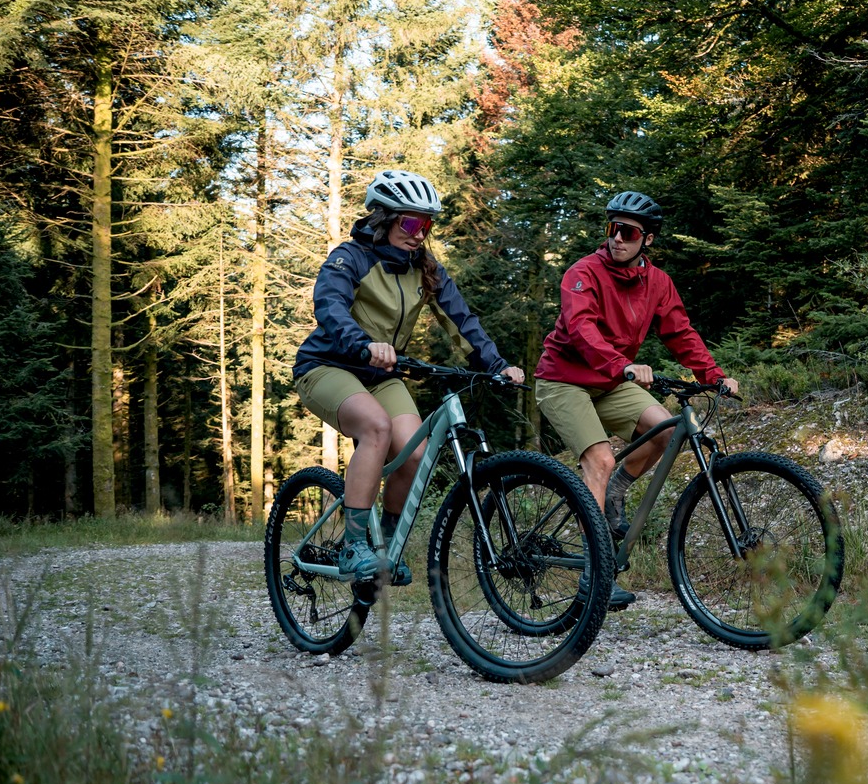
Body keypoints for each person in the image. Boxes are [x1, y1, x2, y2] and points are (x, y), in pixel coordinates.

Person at [294, 169, 524, 584]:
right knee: (377, 428)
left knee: (415, 452)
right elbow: (330, 307)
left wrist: (496, 365)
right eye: (412, 222)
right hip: (329, 366)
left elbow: (462, 321)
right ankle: (353, 545)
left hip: (383, 374)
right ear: (384, 219)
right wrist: (364, 344)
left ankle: (384, 545)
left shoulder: (426, 269)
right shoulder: (350, 258)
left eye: (427, 224)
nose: (420, 234)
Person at [534, 190, 739, 608]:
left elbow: (680, 333)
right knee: (601, 460)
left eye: (628, 232)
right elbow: (581, 329)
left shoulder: (657, 282)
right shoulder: (583, 273)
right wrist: (622, 364)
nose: (617, 238)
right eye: (613, 228)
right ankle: (595, 575)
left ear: (647, 240)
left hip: (610, 380)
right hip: (564, 378)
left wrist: (714, 376)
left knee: (664, 433)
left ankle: (615, 492)